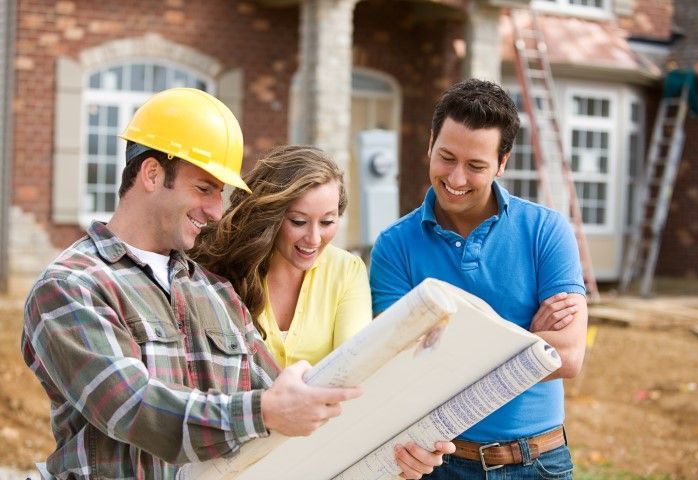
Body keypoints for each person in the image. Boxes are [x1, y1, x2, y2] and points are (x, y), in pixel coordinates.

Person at [21, 88, 450, 479]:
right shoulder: (71, 286)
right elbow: (134, 409)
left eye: (219, 192)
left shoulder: (213, 292)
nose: (214, 209)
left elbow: (293, 408)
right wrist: (264, 411)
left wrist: (393, 450)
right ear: (152, 174)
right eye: (205, 188)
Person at [369, 79, 588, 479]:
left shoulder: (547, 231)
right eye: (447, 157)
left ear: (502, 163)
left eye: (475, 166)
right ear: (430, 144)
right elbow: (399, 364)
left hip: (537, 462)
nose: (456, 178)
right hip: (439, 464)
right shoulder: (394, 246)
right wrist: (525, 337)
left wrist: (446, 344)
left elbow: (569, 356)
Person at [191, 145, 371, 368]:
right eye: (298, 221)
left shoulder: (348, 270)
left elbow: (355, 363)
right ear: (270, 216)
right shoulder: (221, 267)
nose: (314, 239)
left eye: (327, 222)